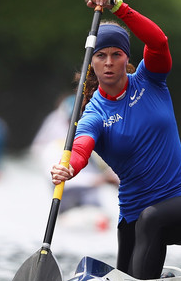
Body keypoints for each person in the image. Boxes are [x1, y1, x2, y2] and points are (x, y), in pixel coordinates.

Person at [50, 0, 181, 280]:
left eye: (116, 54)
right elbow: (80, 149)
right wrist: (66, 168)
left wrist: (116, 5)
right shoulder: (94, 114)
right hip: (133, 218)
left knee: (151, 219)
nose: (109, 62)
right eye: (101, 56)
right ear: (91, 64)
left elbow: (158, 41)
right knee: (131, 260)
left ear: (127, 58)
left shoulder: (151, 80)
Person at [31, 93, 118, 229]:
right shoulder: (53, 149)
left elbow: (115, 176)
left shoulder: (97, 146)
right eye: (75, 120)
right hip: (68, 212)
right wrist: (99, 180)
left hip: (96, 212)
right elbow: (59, 179)